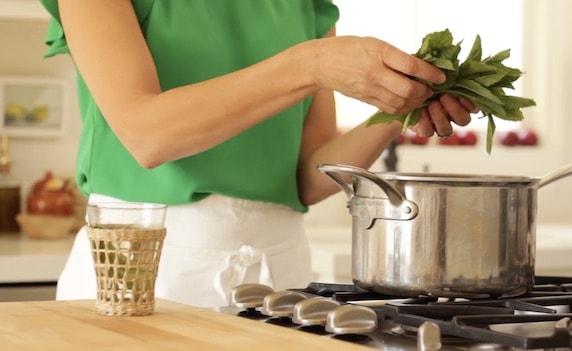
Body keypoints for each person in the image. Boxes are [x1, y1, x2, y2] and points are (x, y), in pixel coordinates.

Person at [40, 0, 475, 308]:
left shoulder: (308, 6)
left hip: (278, 282)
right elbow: (148, 136)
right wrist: (309, 64)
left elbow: (308, 176)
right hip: (141, 277)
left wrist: (397, 112)